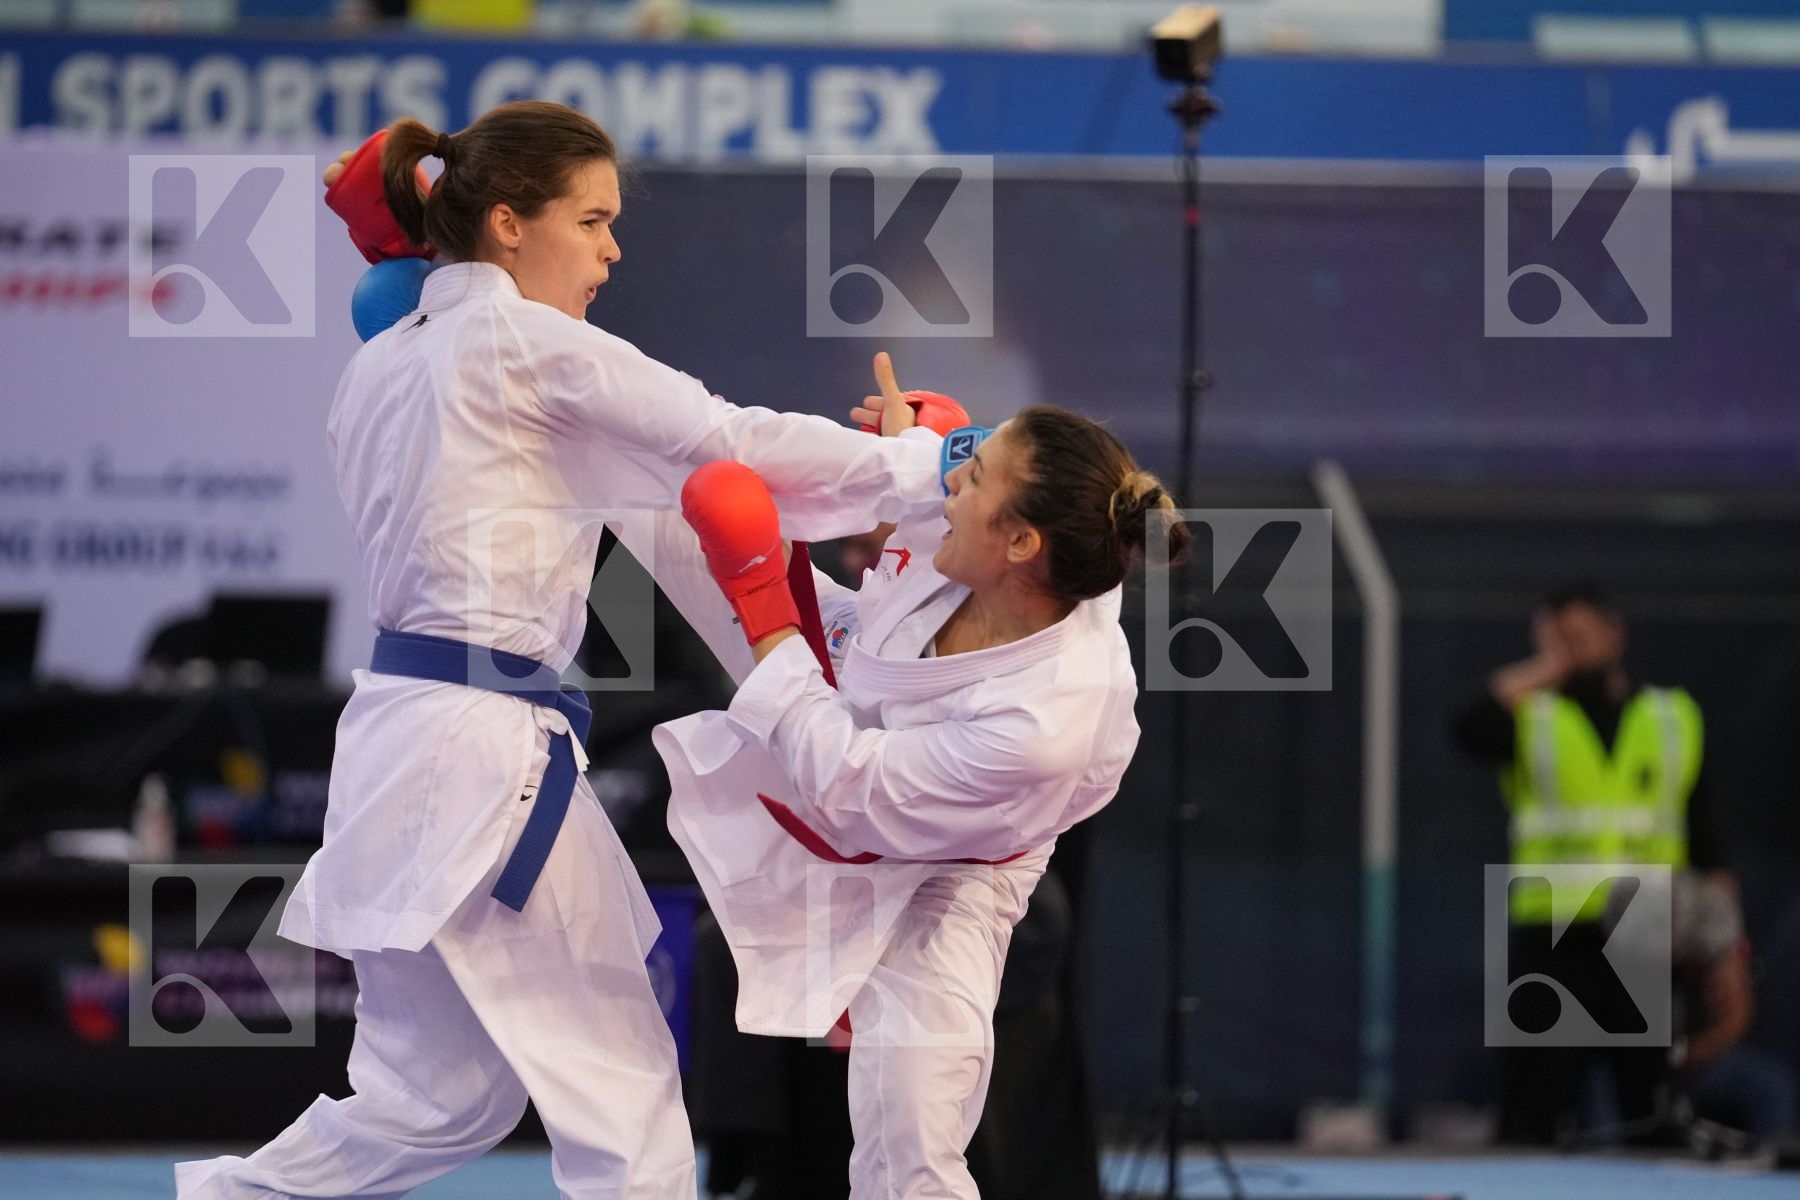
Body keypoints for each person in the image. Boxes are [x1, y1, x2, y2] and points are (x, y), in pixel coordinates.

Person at [176, 102, 952, 1200]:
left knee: (433, 1099)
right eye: (592, 221)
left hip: (397, 743)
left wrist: (836, 602)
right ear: (507, 223)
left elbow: (679, 511)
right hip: (487, 753)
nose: (612, 249)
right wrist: (928, 466)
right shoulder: (531, 346)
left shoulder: (381, 367)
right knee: (624, 1097)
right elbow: (731, 448)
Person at [655, 385, 1185, 1199]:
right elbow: (908, 493)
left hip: (957, 870)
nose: (951, 477)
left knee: (910, 1144)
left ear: (1019, 542)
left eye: (974, 475)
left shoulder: (1044, 717)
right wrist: (909, 453)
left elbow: (841, 782)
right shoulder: (1022, 542)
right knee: (665, 494)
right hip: (860, 675)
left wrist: (762, 602)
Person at [1451, 585, 1728, 1145]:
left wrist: (1725, 948)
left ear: (1614, 632)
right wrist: (1547, 666)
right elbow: (1468, 726)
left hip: (1645, 923)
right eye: (1558, 641)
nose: (1572, 652)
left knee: (1649, 1102)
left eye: (1580, 637)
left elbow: (1706, 837)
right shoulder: (1535, 714)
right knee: (1533, 1102)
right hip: (1553, 925)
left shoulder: (1671, 717)